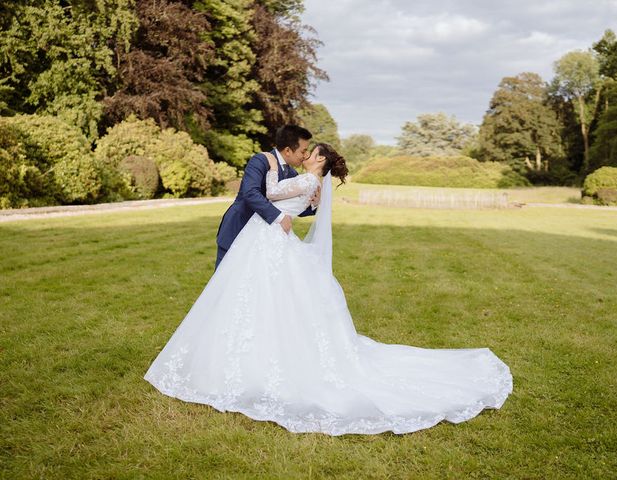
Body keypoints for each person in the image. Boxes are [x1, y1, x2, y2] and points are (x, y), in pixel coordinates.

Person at [143, 142, 513, 436]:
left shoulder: (305, 180)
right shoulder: (311, 185)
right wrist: (301, 197)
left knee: (256, 298)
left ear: (318, 159)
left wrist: (271, 167)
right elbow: (294, 203)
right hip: (268, 240)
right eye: (302, 151)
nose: (304, 156)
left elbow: (267, 193)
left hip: (269, 240)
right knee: (257, 299)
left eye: (310, 153)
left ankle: (246, 361)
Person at [214, 124, 319, 269]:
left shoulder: (293, 174)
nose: (305, 156)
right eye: (303, 151)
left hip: (261, 242)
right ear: (288, 150)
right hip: (237, 230)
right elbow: (250, 193)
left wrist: (314, 205)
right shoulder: (260, 160)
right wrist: (280, 217)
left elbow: (292, 206)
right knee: (223, 284)